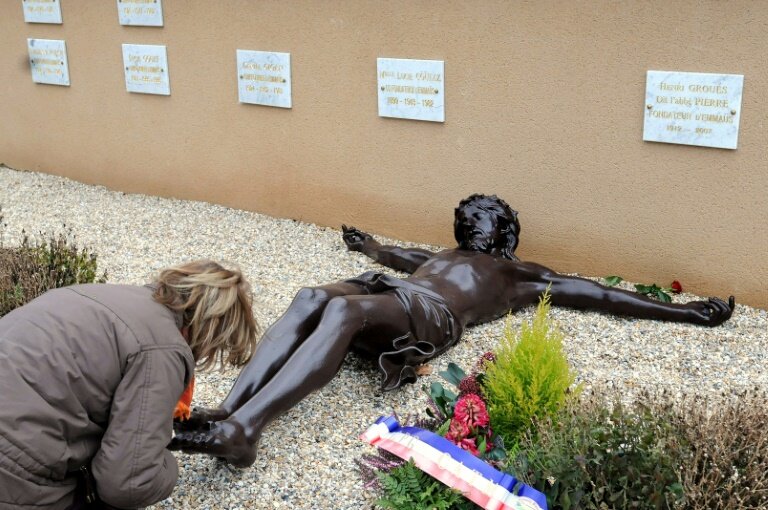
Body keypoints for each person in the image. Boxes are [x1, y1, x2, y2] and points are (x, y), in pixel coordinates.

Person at [170, 194, 734, 468]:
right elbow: (395, 252)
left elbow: (604, 295)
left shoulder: (518, 275)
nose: (472, 221)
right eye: (469, 215)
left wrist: (685, 312)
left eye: (484, 216)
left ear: (504, 233)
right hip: (400, 295)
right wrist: (365, 244)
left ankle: (247, 428)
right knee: (313, 296)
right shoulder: (439, 254)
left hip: (431, 319)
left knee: (342, 313)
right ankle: (230, 409)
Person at [0, 260, 259, 510]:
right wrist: (166, 461)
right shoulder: (163, 347)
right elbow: (126, 485)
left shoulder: (88, 293)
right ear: (212, 328)